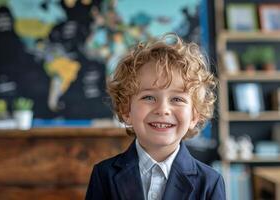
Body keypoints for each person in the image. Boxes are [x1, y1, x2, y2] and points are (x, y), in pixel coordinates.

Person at [85, 33, 226, 200]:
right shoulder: (104, 175)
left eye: (177, 99)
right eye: (149, 97)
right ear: (126, 110)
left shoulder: (210, 182)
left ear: (194, 115)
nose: (163, 109)